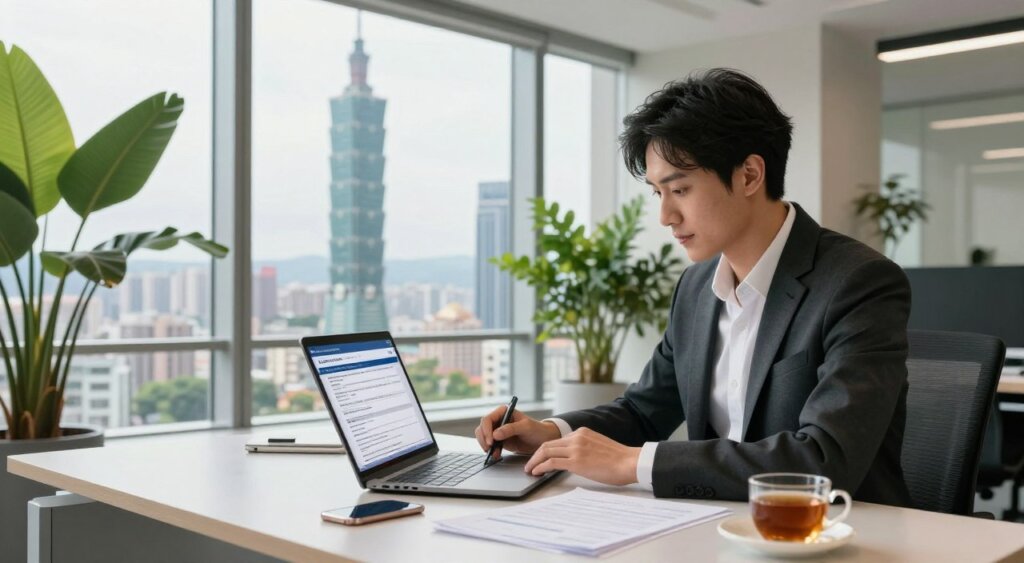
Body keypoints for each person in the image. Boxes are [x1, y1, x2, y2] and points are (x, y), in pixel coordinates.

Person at [475, 68, 912, 506]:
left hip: (840, 535)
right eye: (657, 193)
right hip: (718, 526)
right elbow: (643, 410)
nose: (666, 216)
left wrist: (634, 464)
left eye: (679, 189)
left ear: (749, 176)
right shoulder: (697, 286)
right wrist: (550, 433)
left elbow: (823, 460)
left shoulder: (858, 283)